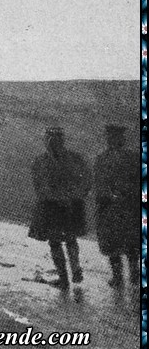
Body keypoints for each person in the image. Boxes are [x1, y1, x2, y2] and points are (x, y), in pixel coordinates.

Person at [29, 127, 91, 289]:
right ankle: (69, 273)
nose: (51, 143)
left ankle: (68, 275)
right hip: (58, 206)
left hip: (61, 206)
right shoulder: (42, 161)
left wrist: (72, 196)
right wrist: (70, 197)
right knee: (63, 240)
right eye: (49, 140)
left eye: (55, 140)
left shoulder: (69, 159)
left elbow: (85, 180)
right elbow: (39, 186)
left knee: (62, 240)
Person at [92, 124, 136, 287]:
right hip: (109, 205)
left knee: (131, 241)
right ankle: (117, 275)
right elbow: (99, 181)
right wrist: (108, 195)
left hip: (129, 205)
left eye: (118, 138)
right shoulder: (102, 158)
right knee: (111, 241)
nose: (116, 141)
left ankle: (134, 273)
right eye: (112, 138)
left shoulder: (133, 158)